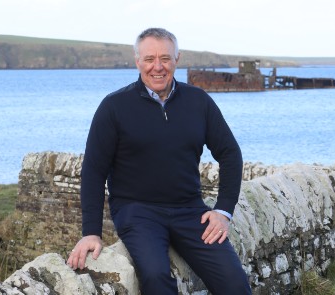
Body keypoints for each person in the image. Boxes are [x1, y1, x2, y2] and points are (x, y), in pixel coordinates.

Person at [67, 27, 251, 295]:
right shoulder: (114, 106)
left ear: (177, 59)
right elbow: (94, 171)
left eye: (165, 58)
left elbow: (230, 153)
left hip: (189, 209)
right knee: (155, 277)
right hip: (137, 211)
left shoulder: (198, 101)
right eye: (149, 59)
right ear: (137, 61)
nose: (157, 67)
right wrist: (91, 232)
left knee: (234, 282)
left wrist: (223, 211)